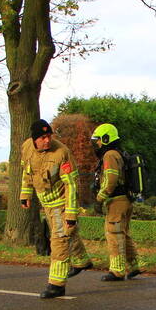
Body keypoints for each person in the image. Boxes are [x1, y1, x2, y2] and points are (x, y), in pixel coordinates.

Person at [21, 119, 91, 298]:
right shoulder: (27, 148)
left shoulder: (62, 153)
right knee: (68, 233)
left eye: (49, 136)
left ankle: (57, 284)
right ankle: (82, 261)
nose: (47, 140)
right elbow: (27, 173)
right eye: (43, 137)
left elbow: (72, 185)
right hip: (46, 205)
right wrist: (25, 195)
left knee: (59, 239)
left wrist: (71, 213)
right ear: (34, 139)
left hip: (60, 203)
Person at [91, 123, 140, 281]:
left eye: (98, 140)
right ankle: (134, 265)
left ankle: (117, 271)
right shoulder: (119, 153)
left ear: (106, 139)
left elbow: (111, 180)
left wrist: (100, 198)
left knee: (114, 234)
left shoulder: (110, 155)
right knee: (123, 234)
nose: (96, 144)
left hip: (117, 202)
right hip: (125, 199)